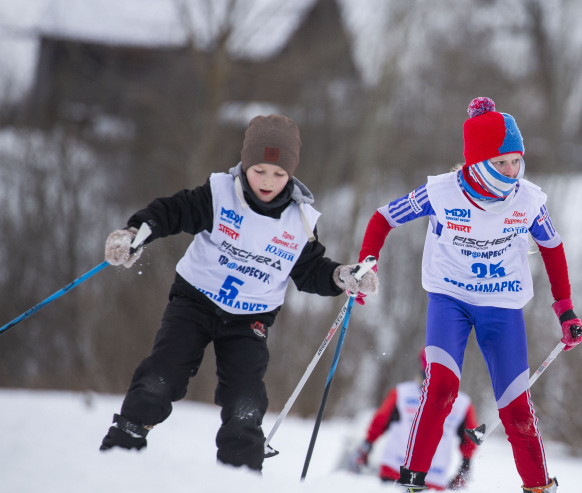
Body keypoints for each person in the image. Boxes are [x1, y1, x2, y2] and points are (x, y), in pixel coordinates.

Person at [98, 115, 377, 471]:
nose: (268, 182)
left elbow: (310, 272)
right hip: (195, 301)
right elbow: (172, 212)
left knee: (245, 400)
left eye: (279, 174)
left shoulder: (301, 220)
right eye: (260, 170)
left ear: (291, 175)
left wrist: (342, 276)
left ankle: (241, 477)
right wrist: (135, 233)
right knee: (161, 375)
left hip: (250, 318)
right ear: (245, 164)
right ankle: (122, 446)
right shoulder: (219, 194)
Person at [354, 97, 582, 493]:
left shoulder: (528, 200)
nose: (512, 172)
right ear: (479, 162)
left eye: (517, 161)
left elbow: (553, 247)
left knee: (516, 408)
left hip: (503, 304)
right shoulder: (442, 192)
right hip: (451, 300)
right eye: (502, 164)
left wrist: (564, 308)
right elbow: (382, 218)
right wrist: (367, 265)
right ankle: (410, 482)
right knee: (440, 386)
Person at [344, 348, 479, 490]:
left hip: (433, 481)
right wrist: (366, 446)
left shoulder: (462, 404)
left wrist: (465, 466)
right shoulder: (402, 393)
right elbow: (379, 422)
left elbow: (469, 440)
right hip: (394, 474)